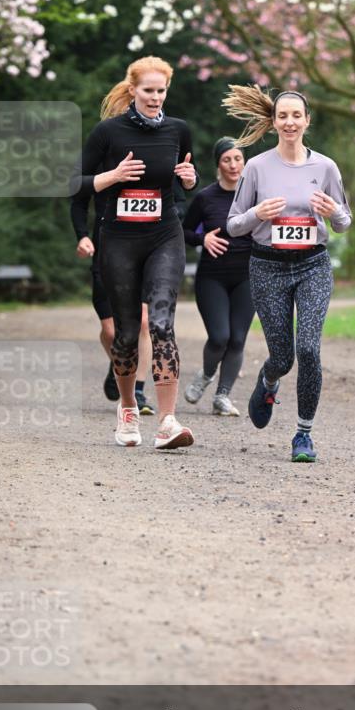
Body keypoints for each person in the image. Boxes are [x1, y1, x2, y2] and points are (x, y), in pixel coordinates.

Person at [71, 55, 197, 449]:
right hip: (119, 239)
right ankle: (127, 409)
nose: (155, 97)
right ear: (133, 90)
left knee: (160, 323)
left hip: (164, 235)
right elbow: (74, 183)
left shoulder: (179, 130)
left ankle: (168, 421)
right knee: (126, 333)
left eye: (161, 91)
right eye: (148, 90)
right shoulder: (107, 132)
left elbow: (185, 179)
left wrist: (190, 179)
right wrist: (113, 176)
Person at [225, 85, 352, 462]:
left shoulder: (325, 167)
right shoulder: (256, 167)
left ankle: (303, 435)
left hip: (313, 265)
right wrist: (257, 214)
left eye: (297, 115)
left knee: (308, 349)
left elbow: (344, 222)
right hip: (267, 266)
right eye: (283, 116)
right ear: (273, 122)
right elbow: (233, 225)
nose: (290, 122)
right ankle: (269, 380)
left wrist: (333, 212)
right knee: (283, 358)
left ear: (307, 121)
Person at [71, 178, 189, 415]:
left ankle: (137, 390)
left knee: (144, 322)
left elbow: (180, 199)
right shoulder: (105, 160)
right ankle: (119, 360)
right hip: (109, 250)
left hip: (149, 250)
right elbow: (79, 199)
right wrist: (82, 235)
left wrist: (167, 217)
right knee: (113, 332)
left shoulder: (157, 161)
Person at [182, 138, 255, 416]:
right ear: (218, 164)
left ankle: (222, 396)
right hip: (212, 276)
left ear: (245, 163)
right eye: (227, 159)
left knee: (237, 339)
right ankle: (206, 374)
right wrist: (203, 239)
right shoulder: (205, 198)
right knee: (219, 336)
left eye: (238, 159)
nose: (233, 165)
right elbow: (184, 231)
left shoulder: (256, 197)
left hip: (247, 276)